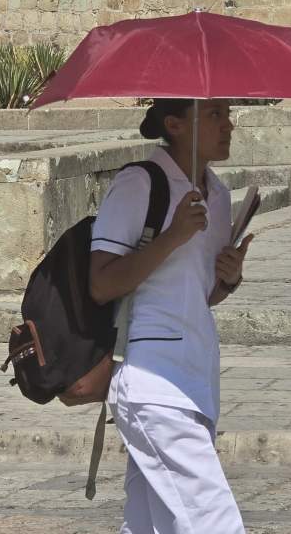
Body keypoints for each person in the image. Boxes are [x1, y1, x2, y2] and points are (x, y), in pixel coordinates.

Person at [88, 98, 252, 534]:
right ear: (175, 124)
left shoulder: (217, 194)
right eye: (215, 114)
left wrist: (228, 278)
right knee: (215, 524)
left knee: (148, 526)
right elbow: (102, 283)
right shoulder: (138, 185)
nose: (228, 125)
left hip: (198, 377)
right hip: (154, 383)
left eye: (227, 113)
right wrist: (173, 236)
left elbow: (194, 295)